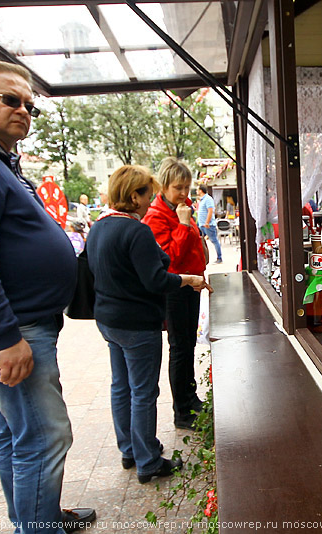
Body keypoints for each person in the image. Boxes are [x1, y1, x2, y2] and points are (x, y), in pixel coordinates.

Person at [0, 60, 95, 533]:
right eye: (10, 99)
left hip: (22, 323)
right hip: (11, 328)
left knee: (16, 434)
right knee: (45, 437)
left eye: (29, 104)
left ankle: (34, 519)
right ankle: (37, 525)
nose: (23, 109)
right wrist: (4, 338)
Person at [87, 165, 205, 482]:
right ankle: (148, 459)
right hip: (137, 322)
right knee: (142, 391)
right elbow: (155, 279)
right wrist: (186, 279)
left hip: (110, 319)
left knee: (121, 386)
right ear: (134, 195)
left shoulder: (99, 227)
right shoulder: (135, 229)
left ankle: (130, 448)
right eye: (147, 193)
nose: (150, 199)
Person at [144, 159, 211, 430]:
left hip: (190, 286)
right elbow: (168, 258)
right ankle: (182, 411)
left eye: (187, 187)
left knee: (187, 347)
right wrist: (184, 226)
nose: (184, 193)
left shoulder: (181, 209)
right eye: (177, 187)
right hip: (176, 289)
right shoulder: (157, 216)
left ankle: (190, 399)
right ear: (163, 185)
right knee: (180, 350)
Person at [197, 184, 223, 264]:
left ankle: (219, 258)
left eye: (197, 190)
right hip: (202, 224)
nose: (196, 191)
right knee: (200, 241)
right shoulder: (202, 200)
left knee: (214, 240)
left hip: (208, 225)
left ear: (201, 190)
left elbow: (210, 211)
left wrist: (207, 222)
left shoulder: (208, 199)